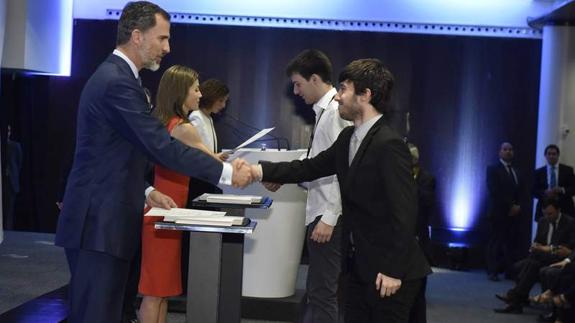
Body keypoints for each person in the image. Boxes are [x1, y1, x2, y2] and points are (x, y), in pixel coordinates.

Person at [54, 2, 252, 322]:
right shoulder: (116, 81)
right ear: (136, 36)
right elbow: (162, 147)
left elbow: (116, 154)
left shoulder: (122, 79)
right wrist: (227, 172)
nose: (167, 47)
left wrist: (146, 192)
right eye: (161, 38)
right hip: (98, 226)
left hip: (106, 223)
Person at [255, 58, 431, 323]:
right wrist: (258, 171)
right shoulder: (349, 138)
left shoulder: (389, 144)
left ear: (365, 95)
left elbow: (405, 213)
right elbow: (309, 168)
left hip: (393, 274)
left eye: (344, 89)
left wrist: (393, 271)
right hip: (360, 268)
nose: (337, 97)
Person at [139, 65, 225, 323]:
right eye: (196, 89)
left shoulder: (164, 123)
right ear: (181, 92)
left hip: (166, 213)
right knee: (155, 293)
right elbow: (212, 163)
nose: (200, 95)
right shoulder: (183, 127)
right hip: (163, 213)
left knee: (161, 292)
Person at [494, 197, 575, 314]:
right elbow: (537, 242)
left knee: (531, 264)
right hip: (542, 257)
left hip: (560, 259)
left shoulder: (569, 223)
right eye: (545, 213)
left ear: (558, 210)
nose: (548, 216)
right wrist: (536, 247)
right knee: (527, 264)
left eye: (551, 214)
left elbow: (567, 249)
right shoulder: (543, 221)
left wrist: (545, 249)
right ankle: (517, 300)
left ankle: (514, 297)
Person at [186, 78, 230, 205]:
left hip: (208, 176)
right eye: (221, 100)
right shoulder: (196, 116)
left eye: (225, 101)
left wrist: (216, 156)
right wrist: (214, 156)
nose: (223, 105)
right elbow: (195, 151)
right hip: (199, 179)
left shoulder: (208, 117)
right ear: (211, 97)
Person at [485, 142, 524, 281]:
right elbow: (495, 191)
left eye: (510, 149)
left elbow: (519, 191)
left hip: (514, 214)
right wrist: (510, 206)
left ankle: (510, 272)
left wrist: (518, 205)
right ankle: (492, 271)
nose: (508, 152)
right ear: (500, 152)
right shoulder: (493, 169)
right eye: (505, 149)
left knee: (510, 243)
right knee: (495, 242)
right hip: (498, 212)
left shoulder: (516, 170)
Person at [407, 143, 435, 323]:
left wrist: (410, 181)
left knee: (419, 286)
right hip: (403, 235)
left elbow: (427, 202)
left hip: (420, 235)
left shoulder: (427, 178)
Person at [533, 144, 575, 221]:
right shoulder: (538, 172)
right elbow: (533, 191)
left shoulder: (568, 170)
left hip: (565, 208)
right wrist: (544, 192)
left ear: (558, 155)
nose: (551, 156)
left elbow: (573, 188)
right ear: (545, 155)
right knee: (544, 232)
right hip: (544, 208)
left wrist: (562, 190)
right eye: (549, 154)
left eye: (554, 154)